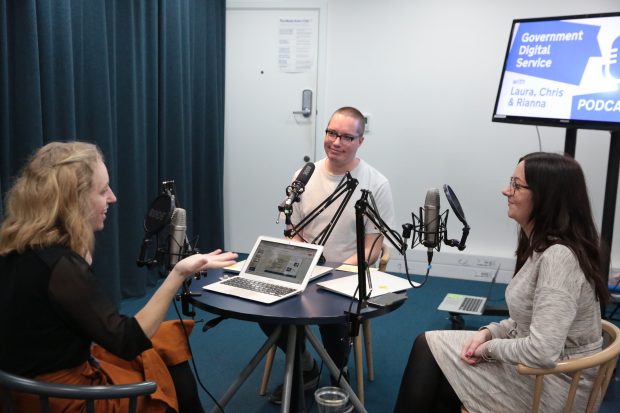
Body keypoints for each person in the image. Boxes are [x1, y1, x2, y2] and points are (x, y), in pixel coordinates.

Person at [0, 141, 238, 413]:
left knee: (167, 340)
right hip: (58, 397)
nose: (112, 197)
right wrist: (178, 273)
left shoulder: (18, 247)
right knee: (164, 366)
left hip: (24, 384)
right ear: (73, 200)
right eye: (102, 191)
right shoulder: (61, 267)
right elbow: (127, 342)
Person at [393, 152, 609, 413]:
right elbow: (526, 321)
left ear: (545, 197)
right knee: (432, 357)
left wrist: (489, 349)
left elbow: (542, 352)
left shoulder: (558, 258)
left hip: (553, 387)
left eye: (516, 185)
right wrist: (489, 332)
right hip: (540, 372)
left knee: (428, 352)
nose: (506, 191)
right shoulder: (544, 246)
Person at [262, 106, 396, 405]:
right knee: (264, 306)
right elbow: (294, 228)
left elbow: (374, 245)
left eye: (346, 137)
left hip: (345, 271)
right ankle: (306, 365)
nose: (336, 142)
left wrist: (335, 272)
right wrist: (303, 260)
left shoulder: (376, 184)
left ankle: (338, 370)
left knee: (335, 312)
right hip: (306, 266)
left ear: (360, 141)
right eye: (331, 133)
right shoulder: (304, 175)